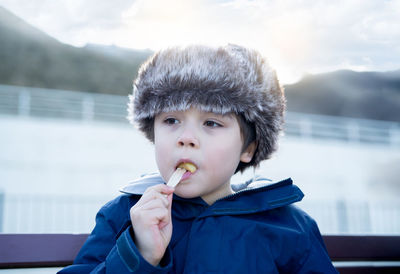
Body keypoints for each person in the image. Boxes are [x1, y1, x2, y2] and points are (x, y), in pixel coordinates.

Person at [59, 44, 337, 273]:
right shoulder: (125, 215)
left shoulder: (289, 227)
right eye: (171, 120)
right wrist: (139, 254)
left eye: (212, 123)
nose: (186, 137)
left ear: (248, 148)